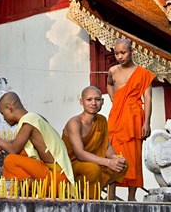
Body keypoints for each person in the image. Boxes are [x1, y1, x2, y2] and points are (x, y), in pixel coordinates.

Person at [0, 92, 74, 192]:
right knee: (23, 153)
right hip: (60, 177)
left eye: (3, 114)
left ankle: (38, 190)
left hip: (55, 178)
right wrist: (6, 142)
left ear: (9, 108)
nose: (4, 118)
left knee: (10, 160)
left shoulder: (28, 123)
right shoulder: (35, 118)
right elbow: (31, 139)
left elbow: (13, 149)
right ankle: (33, 189)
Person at [106, 38, 155, 201]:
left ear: (132, 52)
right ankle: (111, 195)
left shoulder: (143, 73)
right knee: (112, 153)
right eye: (117, 53)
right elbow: (109, 84)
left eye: (123, 53)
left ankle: (131, 196)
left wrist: (147, 122)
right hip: (116, 116)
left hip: (134, 117)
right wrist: (115, 99)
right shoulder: (113, 71)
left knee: (133, 155)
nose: (120, 56)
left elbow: (147, 98)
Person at [62, 86, 128, 200]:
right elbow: (80, 154)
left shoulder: (101, 120)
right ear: (81, 102)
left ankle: (98, 193)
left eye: (97, 99)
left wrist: (114, 158)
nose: (93, 103)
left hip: (95, 162)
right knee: (93, 169)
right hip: (73, 164)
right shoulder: (74, 122)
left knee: (122, 165)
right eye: (89, 100)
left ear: (102, 101)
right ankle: (91, 197)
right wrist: (107, 162)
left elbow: (107, 146)